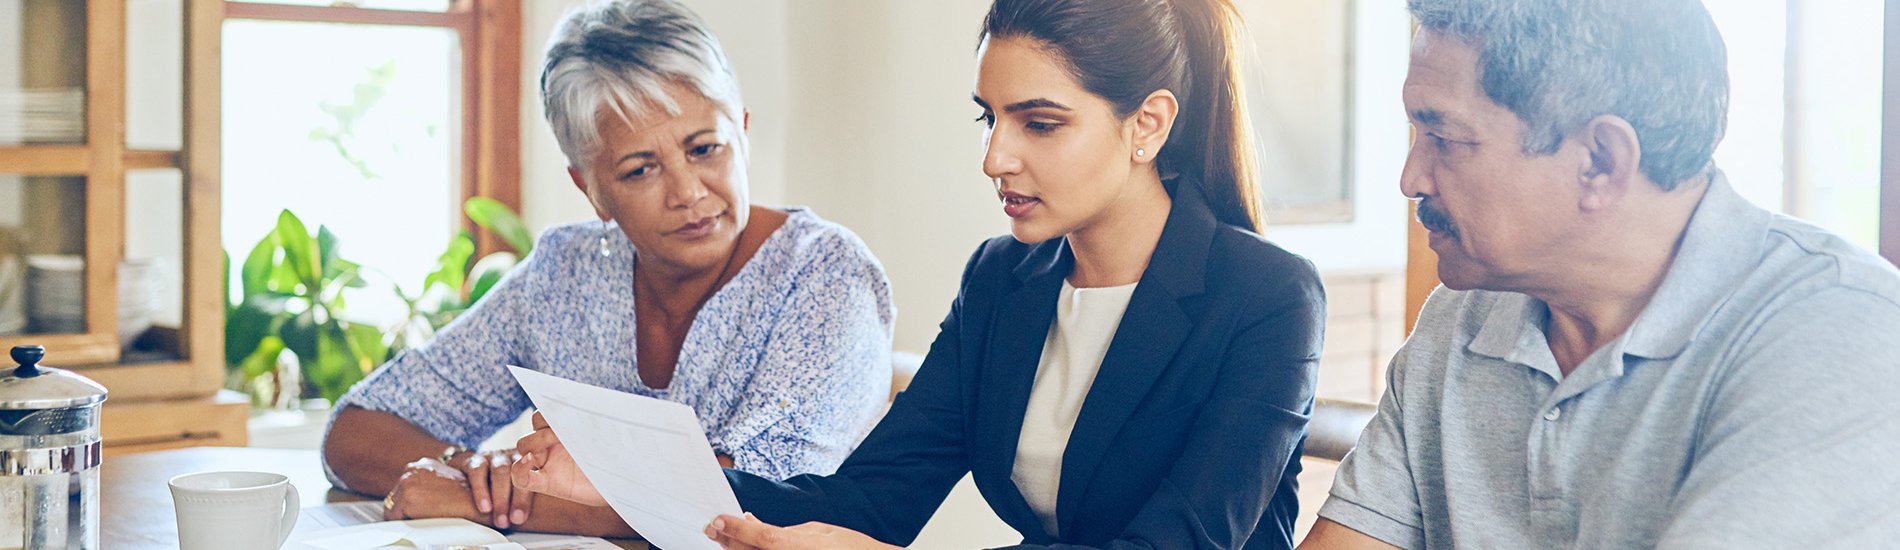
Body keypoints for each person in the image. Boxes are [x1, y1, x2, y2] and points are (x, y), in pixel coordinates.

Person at [514, 0, 1327, 548]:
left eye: (1039, 123)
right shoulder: (1003, 280)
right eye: (990, 118)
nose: (994, 158)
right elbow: (872, 499)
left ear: (1146, 124)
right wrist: (622, 477)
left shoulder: (1265, 298)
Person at [1299, 0, 1900, 548]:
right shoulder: (1461, 319)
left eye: (1444, 138)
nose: (1412, 179)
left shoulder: (1842, 333)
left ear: (1600, 160)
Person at [320, 0, 896, 536]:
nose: (689, 192)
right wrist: (470, 471)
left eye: (704, 148)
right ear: (590, 189)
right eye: (640, 170)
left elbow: (757, 499)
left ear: (741, 132)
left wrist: (488, 508)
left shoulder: (827, 274)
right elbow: (357, 428)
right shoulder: (564, 275)